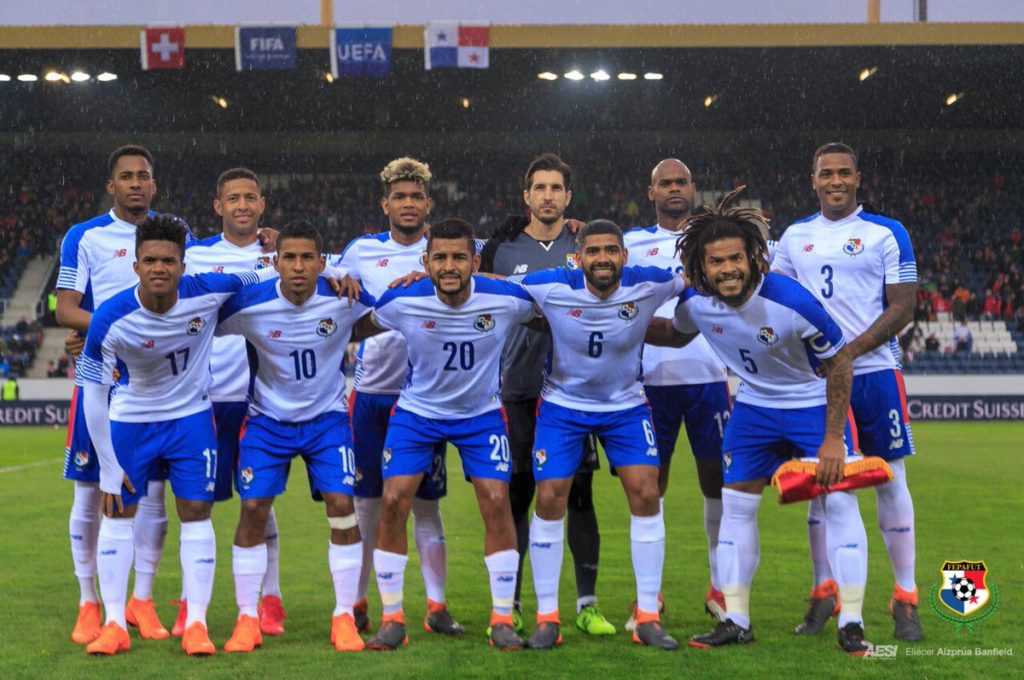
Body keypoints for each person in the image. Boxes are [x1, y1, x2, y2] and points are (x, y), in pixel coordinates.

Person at [645, 188, 870, 655]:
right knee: (736, 508)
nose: (727, 269)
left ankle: (852, 621)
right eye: (716, 262)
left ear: (754, 257)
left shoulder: (792, 301)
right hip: (753, 408)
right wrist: (610, 323)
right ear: (701, 266)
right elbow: (672, 334)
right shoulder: (696, 304)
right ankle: (737, 619)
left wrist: (833, 438)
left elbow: (840, 362)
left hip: (810, 403)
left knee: (839, 502)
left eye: (735, 258)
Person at [78, 216, 263, 655]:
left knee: (196, 512)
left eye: (168, 261)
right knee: (118, 512)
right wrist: (108, 465)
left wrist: (333, 271)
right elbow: (93, 394)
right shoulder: (110, 317)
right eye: (150, 261)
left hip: (190, 419)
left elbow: (260, 273)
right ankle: (114, 623)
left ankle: (196, 624)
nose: (159, 268)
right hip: (131, 421)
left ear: (183, 265)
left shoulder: (209, 290)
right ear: (136, 266)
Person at [773, 143, 924, 642]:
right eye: (826, 173)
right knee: (824, 486)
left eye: (844, 173)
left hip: (875, 372)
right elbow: (778, 306)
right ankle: (826, 591)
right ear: (813, 181)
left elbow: (903, 307)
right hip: (814, 381)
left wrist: (846, 353)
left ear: (858, 178)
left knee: (890, 479)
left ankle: (905, 597)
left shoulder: (887, 232)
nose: (835, 181)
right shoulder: (794, 237)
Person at [364, 218, 537, 651]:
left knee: (496, 502)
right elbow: (361, 323)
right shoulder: (402, 299)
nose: (448, 266)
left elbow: (553, 301)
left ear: (475, 262)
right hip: (418, 413)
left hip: (481, 415)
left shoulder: (507, 298)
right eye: (439, 258)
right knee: (392, 500)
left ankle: (502, 619)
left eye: (459, 257)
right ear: (425, 262)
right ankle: (392, 618)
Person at [517, 220, 684, 651]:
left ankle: (647, 616)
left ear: (625, 256)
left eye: (611, 250)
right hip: (563, 406)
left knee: (646, 493)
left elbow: (700, 278)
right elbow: (494, 286)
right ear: (579, 258)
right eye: (594, 251)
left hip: (625, 406)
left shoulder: (649, 282)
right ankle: (547, 618)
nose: (603, 259)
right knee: (550, 496)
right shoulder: (552, 285)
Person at [216, 221, 377, 653]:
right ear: (276, 263)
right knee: (253, 509)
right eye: (290, 257)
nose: (299, 266)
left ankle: (344, 617)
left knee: (342, 508)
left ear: (322, 263)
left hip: (327, 422)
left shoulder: (344, 299)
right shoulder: (249, 304)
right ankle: (247, 618)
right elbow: (195, 322)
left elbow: (392, 311)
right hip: (267, 422)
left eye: (308, 258)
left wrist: (348, 278)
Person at [56, 145, 185, 644]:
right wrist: (109, 332)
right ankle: (88, 601)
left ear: (154, 185)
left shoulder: (174, 232)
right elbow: (66, 308)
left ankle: (142, 601)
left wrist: (266, 242)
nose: (135, 183)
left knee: (152, 493)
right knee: (91, 491)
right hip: (101, 376)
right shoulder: (84, 235)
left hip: (155, 383)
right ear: (111, 186)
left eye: (143, 176)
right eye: (126, 176)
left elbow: (197, 288)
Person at [478, 153, 610, 636]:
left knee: (579, 496)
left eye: (557, 188)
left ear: (568, 196)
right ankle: (511, 603)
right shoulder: (501, 246)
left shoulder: (585, 243)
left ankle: (587, 605)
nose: (548, 196)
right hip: (516, 387)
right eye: (540, 187)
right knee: (517, 497)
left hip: (574, 392)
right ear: (526, 195)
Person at [328, 158, 457, 636]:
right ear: (385, 205)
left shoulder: (445, 252)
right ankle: (359, 602)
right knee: (366, 503)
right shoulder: (361, 251)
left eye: (416, 197)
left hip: (425, 398)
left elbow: (499, 258)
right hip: (372, 395)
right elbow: (320, 272)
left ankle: (436, 607)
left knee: (425, 504)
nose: (408, 204)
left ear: (429, 204)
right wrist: (273, 244)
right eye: (399, 197)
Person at [622, 159, 731, 626]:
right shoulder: (629, 244)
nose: (673, 189)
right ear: (651, 192)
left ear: (693, 187)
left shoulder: (715, 240)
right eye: (664, 183)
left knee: (718, 484)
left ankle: (720, 588)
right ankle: (650, 596)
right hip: (649, 382)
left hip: (709, 376)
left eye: (681, 182)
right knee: (649, 488)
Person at [180, 167, 287, 638]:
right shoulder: (195, 256)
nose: (242, 205)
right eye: (233, 198)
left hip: (257, 400)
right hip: (202, 399)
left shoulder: (280, 256)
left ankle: (270, 600)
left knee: (259, 502)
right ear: (218, 206)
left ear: (262, 204)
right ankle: (189, 603)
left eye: (250, 197)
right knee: (194, 504)